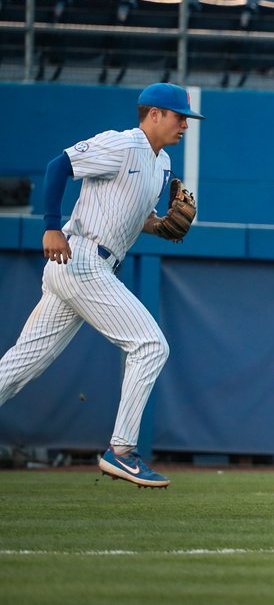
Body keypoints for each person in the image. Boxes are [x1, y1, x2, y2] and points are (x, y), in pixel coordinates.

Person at [0, 83, 207, 488]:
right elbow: (57, 165)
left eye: (187, 118)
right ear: (153, 114)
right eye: (178, 116)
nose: (185, 124)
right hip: (79, 258)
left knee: (21, 365)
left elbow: (140, 216)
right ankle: (122, 451)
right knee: (151, 346)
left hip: (92, 267)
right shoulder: (121, 144)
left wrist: (160, 226)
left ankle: (122, 451)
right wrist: (50, 226)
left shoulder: (162, 163)